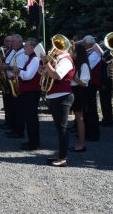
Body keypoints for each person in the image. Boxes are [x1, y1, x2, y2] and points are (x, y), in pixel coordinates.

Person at [41, 37, 75, 167]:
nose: (53, 49)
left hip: (62, 96)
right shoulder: (59, 60)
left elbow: (57, 75)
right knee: (59, 128)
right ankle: (60, 155)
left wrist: (46, 63)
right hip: (55, 96)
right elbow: (50, 75)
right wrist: (44, 71)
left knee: (62, 129)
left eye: (56, 47)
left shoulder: (65, 60)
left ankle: (63, 159)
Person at [13, 37, 41, 150]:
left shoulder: (34, 59)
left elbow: (28, 76)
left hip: (31, 92)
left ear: (32, 47)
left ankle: (34, 143)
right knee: (29, 118)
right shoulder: (31, 58)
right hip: (28, 92)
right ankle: (31, 141)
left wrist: (19, 71)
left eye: (26, 46)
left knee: (31, 118)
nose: (24, 47)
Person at [4, 35, 27, 139]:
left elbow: (19, 68)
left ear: (19, 42)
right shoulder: (16, 51)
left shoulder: (23, 53)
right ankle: (14, 129)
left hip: (17, 81)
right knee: (14, 107)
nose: (11, 43)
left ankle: (18, 131)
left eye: (13, 41)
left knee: (18, 108)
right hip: (12, 80)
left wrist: (7, 67)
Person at [71, 43, 90, 152]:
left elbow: (84, 83)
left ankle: (82, 144)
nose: (72, 54)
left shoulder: (84, 65)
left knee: (80, 118)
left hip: (79, 92)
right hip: (75, 91)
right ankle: (80, 143)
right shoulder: (77, 64)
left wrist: (73, 76)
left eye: (74, 52)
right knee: (78, 118)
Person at [82, 35, 101, 141]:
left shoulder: (95, 54)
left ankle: (94, 134)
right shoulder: (89, 52)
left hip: (91, 84)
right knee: (86, 109)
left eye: (85, 43)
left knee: (91, 109)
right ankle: (87, 132)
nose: (84, 45)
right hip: (86, 84)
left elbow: (87, 66)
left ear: (89, 44)